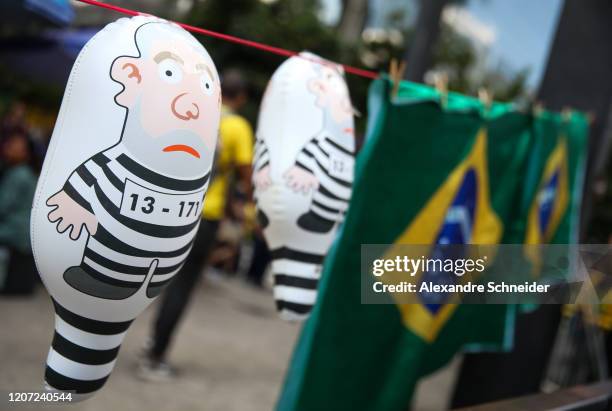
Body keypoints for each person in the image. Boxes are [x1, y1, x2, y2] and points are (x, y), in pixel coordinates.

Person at [139, 69, 254, 380]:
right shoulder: (237, 127)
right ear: (240, 97)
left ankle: (146, 340)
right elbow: (247, 175)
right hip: (206, 216)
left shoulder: (198, 115)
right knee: (182, 286)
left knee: (157, 279)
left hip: (173, 210)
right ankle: (155, 356)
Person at [0, 130, 38, 294]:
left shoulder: (19, 175)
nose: (7, 148)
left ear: (25, 153)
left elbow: (3, 206)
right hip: (24, 232)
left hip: (14, 231)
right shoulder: (26, 173)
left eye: (13, 146)